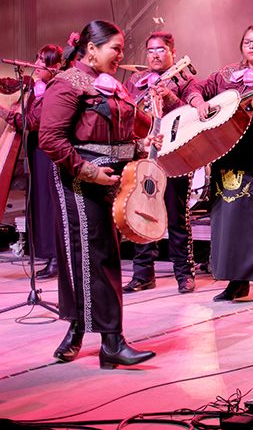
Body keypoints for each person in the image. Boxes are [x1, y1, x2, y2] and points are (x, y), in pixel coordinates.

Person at [38, 20, 156, 369]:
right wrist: (89, 171)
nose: (121, 55)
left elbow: (117, 130)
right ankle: (111, 342)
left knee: (100, 256)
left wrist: (139, 145)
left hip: (113, 179)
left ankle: (81, 330)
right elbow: (50, 138)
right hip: (82, 179)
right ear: (92, 48)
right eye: (115, 48)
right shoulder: (67, 83)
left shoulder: (111, 85)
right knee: (94, 255)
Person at [191, 23, 253, 304]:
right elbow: (198, 86)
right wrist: (198, 101)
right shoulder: (227, 74)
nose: (251, 46)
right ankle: (236, 281)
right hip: (227, 147)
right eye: (247, 41)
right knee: (228, 215)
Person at [123, 32, 203, 294]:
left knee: (177, 216)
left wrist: (169, 98)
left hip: (175, 155)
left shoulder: (184, 78)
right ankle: (143, 274)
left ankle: (184, 274)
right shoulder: (136, 80)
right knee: (141, 211)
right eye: (150, 50)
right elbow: (125, 110)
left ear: (172, 51)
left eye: (160, 50)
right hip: (144, 153)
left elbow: (192, 113)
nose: (155, 55)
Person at [0, 44, 64, 279]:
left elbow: (32, 121)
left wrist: (3, 112)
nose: (37, 65)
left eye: (43, 62)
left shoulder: (53, 89)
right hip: (38, 150)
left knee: (49, 205)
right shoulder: (37, 86)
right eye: (37, 58)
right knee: (40, 203)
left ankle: (56, 259)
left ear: (55, 67)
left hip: (49, 154)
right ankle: (49, 257)